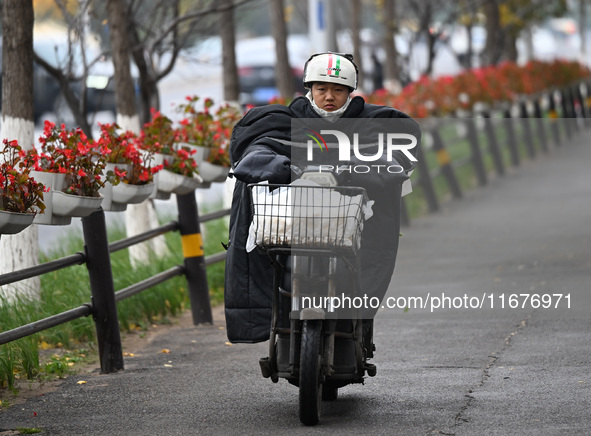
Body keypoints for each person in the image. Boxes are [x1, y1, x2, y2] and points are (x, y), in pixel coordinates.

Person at [224, 53, 421, 353]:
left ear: (350, 92)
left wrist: (356, 169)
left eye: (338, 90)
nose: (329, 97)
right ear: (309, 89)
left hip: (352, 226)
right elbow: (258, 150)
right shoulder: (280, 123)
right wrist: (278, 167)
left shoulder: (373, 124)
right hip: (290, 224)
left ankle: (358, 325)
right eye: (321, 89)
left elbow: (392, 157)